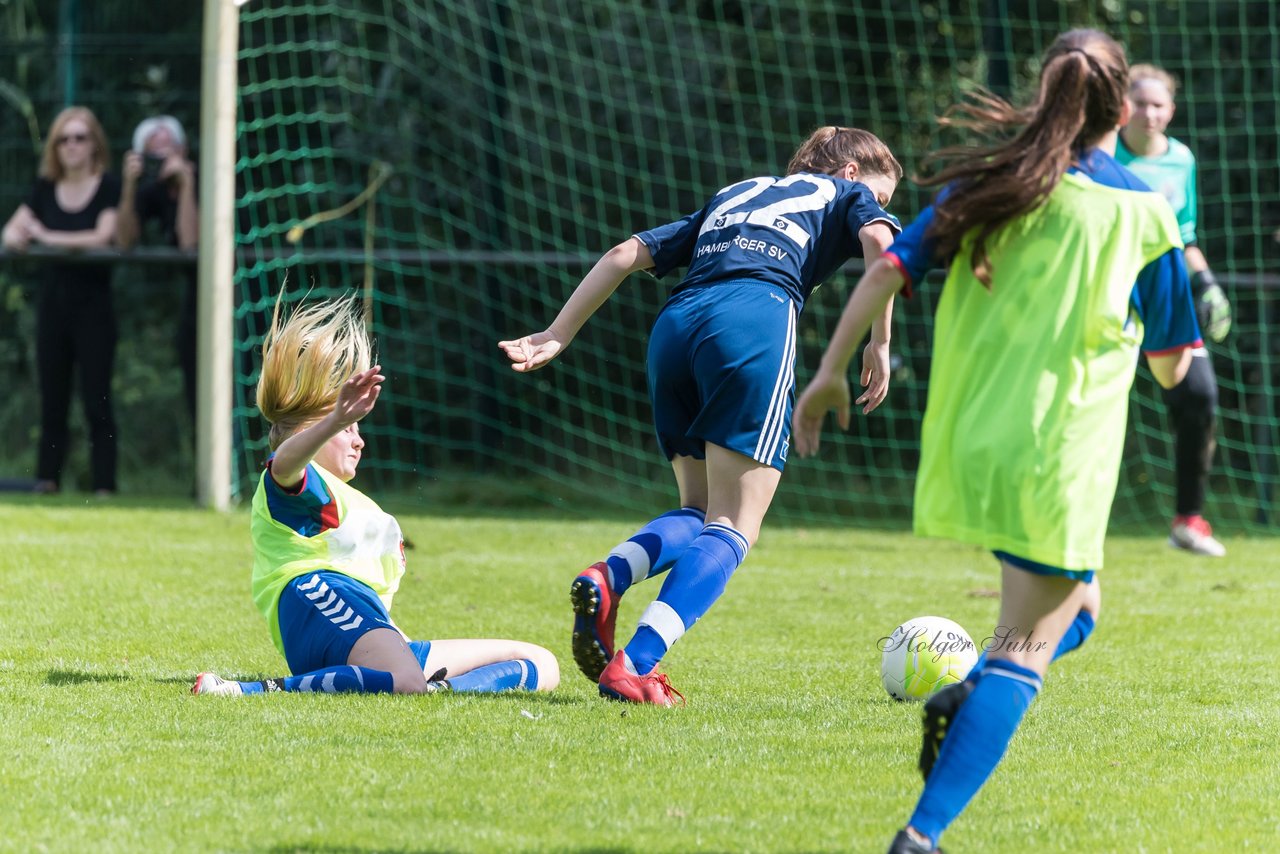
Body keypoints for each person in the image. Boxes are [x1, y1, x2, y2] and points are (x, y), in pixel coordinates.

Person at [792, 30, 1199, 853]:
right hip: (1061, 454)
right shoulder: (1144, 211)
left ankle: (961, 694)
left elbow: (884, 271)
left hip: (974, 438)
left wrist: (831, 372)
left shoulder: (987, 185)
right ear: (1121, 109)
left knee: (1083, 606)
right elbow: (1168, 369)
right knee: (1028, 646)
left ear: (1043, 97)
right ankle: (921, 836)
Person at [500, 127, 903, 705]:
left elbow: (623, 255)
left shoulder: (737, 192)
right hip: (752, 319)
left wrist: (556, 334)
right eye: (882, 197)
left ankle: (609, 576)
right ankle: (635, 664)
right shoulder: (843, 194)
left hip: (676, 327)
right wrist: (878, 341)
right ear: (850, 175)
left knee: (698, 510)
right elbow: (879, 246)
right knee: (736, 524)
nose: (880, 207)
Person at [193, 292, 559, 697]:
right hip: (320, 600)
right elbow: (282, 463)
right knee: (405, 682)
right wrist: (337, 419)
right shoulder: (302, 479)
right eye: (350, 431)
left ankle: (438, 689)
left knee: (541, 663)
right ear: (311, 431)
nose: (359, 441)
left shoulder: (352, 499)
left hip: (368, 622)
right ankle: (244, 691)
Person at [1117, 64, 1228, 556]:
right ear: (1123, 107)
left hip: (1165, 292)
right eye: (1140, 103)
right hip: (1110, 293)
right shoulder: (1100, 153)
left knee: (1200, 395)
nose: (1150, 113)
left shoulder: (1181, 159)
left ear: (1172, 110)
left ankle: (1188, 521)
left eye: (1159, 104)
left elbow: (1184, 234)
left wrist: (1206, 284)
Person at [1, 106, 121, 495]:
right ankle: (46, 481)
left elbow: (103, 236)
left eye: (79, 138)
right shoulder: (43, 189)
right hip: (53, 307)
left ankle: (104, 486)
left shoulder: (108, 186)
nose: (71, 146)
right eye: (63, 139)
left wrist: (45, 236)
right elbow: (11, 232)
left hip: (94, 308)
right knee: (53, 399)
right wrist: (18, 236)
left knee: (96, 399)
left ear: (94, 144)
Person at [116, 115, 200, 423]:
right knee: (193, 370)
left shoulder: (206, 179)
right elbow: (124, 241)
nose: (163, 160)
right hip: (196, 296)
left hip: (238, 291)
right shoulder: (151, 190)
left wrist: (188, 183)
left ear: (184, 150)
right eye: (154, 154)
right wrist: (128, 185)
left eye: (170, 150)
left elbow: (191, 243)